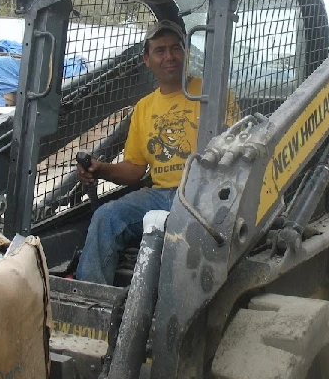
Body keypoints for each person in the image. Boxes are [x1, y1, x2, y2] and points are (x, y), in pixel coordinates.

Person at [75, 19, 237, 285]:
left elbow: (234, 152)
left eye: (175, 48)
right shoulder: (143, 108)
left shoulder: (214, 95)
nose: (169, 56)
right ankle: (93, 304)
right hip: (160, 196)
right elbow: (135, 170)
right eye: (160, 50)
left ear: (185, 53)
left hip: (203, 196)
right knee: (105, 217)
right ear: (147, 59)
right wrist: (100, 168)